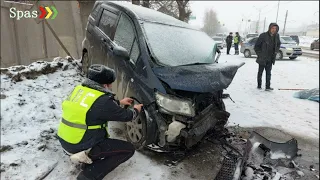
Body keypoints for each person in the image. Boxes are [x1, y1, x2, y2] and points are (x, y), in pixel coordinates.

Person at [57, 64, 143, 180]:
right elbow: (127, 116)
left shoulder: (79, 90)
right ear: (105, 85)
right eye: (110, 84)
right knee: (128, 150)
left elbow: (95, 106)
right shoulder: (103, 101)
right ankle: (89, 175)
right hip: (80, 145)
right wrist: (136, 109)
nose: (111, 86)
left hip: (65, 140)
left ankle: (86, 157)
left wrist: (119, 102)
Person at [254, 23, 281, 91]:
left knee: (268, 73)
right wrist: (260, 55)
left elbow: (278, 44)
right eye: (272, 28)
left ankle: (267, 86)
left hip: (270, 58)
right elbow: (256, 47)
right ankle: (259, 85)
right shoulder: (263, 35)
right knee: (260, 72)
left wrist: (276, 51)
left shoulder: (277, 36)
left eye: (275, 29)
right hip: (262, 58)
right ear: (269, 28)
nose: (274, 30)